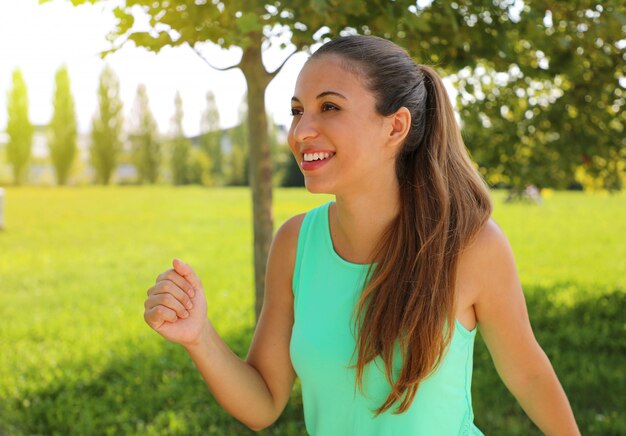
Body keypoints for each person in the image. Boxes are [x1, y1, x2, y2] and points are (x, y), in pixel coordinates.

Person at [143, 35, 579, 435]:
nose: (301, 131)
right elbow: (263, 402)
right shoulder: (296, 244)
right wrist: (199, 335)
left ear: (395, 126)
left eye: (329, 107)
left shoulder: (470, 246)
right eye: (297, 111)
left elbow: (529, 374)